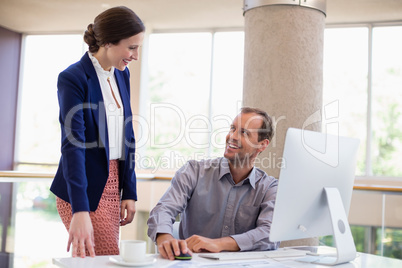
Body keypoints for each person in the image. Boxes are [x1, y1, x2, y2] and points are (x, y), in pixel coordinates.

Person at [50, 6, 145, 258]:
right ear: (109, 42)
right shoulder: (73, 78)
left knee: (95, 260)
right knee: (105, 258)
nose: (135, 56)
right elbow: (73, 145)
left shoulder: (121, 75)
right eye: (131, 47)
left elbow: (128, 136)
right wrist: (79, 210)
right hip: (82, 188)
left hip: (113, 183)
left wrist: (129, 190)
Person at [147, 107, 280, 260]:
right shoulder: (194, 171)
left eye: (244, 132)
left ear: (262, 145)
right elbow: (163, 209)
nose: (232, 136)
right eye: (232, 128)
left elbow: (270, 234)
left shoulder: (269, 188)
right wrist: (164, 237)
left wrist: (219, 244)